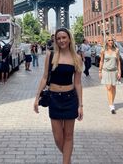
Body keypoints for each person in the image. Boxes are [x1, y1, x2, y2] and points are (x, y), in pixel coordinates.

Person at [34, 28, 83, 164]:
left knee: (68, 136)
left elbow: (78, 83)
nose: (61, 40)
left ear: (69, 39)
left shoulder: (77, 58)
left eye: (64, 37)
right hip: (54, 98)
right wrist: (37, 97)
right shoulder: (51, 55)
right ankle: (67, 159)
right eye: (58, 38)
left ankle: (66, 162)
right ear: (56, 40)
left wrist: (80, 105)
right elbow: (44, 78)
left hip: (70, 98)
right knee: (58, 138)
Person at [99, 36, 121, 114]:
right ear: (106, 42)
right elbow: (101, 61)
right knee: (109, 88)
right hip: (106, 71)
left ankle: (112, 101)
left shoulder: (117, 50)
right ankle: (111, 105)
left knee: (113, 87)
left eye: (112, 40)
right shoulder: (103, 51)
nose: (111, 41)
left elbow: (118, 61)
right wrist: (100, 71)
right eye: (109, 40)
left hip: (114, 71)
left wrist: (119, 72)